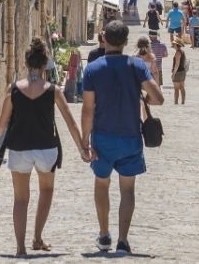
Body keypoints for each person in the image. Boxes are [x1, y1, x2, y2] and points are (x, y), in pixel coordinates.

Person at [0, 38, 89, 257]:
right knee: (46, 190)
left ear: (26, 63)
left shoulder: (13, 89)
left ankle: (20, 248)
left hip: (19, 148)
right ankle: (37, 237)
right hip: (46, 149)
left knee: (20, 199)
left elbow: (3, 122)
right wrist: (82, 148)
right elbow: (70, 122)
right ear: (45, 65)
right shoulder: (53, 90)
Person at [82, 21, 164, 255]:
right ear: (126, 42)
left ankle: (104, 235)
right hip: (130, 136)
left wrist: (83, 141)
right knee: (127, 189)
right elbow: (158, 98)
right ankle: (123, 240)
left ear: (104, 38)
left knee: (102, 184)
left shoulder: (93, 69)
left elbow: (87, 109)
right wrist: (141, 100)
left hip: (102, 137)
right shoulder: (136, 65)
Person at [171, 39, 188, 104]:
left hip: (178, 72)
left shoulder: (177, 52)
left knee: (176, 89)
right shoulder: (182, 51)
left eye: (174, 44)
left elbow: (177, 64)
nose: (173, 45)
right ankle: (183, 102)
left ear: (177, 45)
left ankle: (176, 102)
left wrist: (173, 74)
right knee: (182, 87)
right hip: (182, 71)